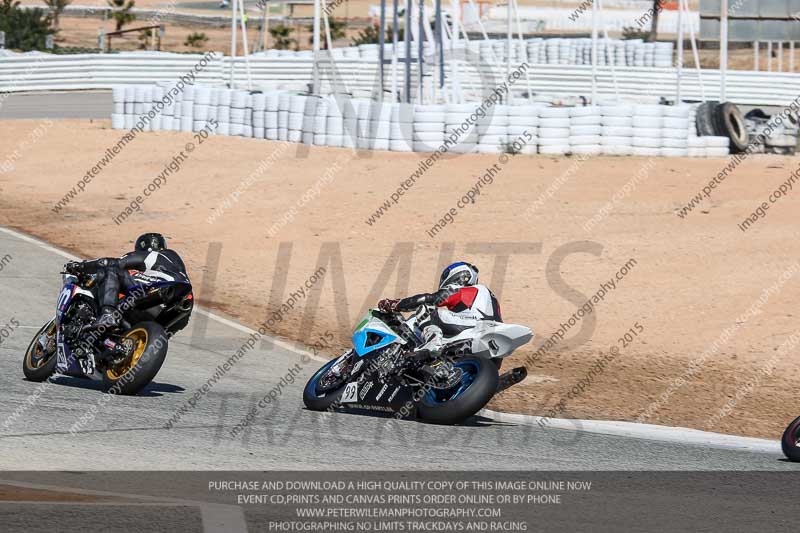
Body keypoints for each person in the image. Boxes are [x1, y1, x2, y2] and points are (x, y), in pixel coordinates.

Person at [65, 233, 189, 329]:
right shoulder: (175, 265)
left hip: (158, 290)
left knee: (111, 269)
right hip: (178, 305)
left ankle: (107, 313)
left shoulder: (153, 255)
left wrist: (81, 266)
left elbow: (111, 263)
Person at [377, 262, 502, 356]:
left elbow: (430, 299)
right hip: (492, 345)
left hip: (474, 325)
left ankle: (432, 343)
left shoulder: (466, 290)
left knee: (426, 308)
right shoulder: (488, 297)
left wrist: (395, 304)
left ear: (458, 275)